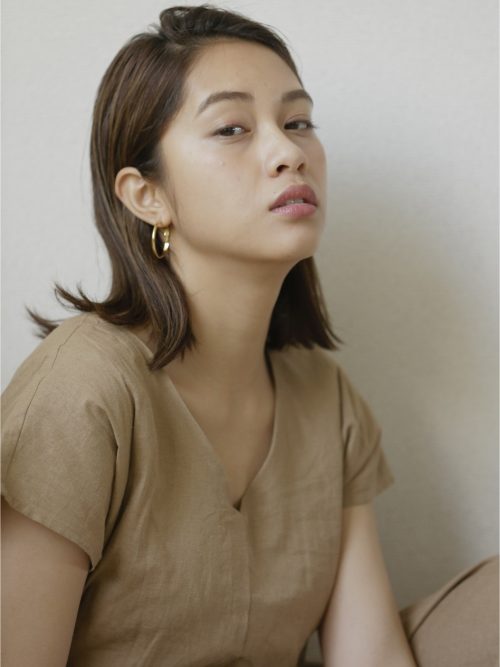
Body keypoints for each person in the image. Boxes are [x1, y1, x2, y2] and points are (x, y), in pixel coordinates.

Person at [1, 5, 497, 667]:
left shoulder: (325, 397)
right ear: (146, 195)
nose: (289, 152)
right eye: (231, 128)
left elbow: (367, 651)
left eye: (298, 122)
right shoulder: (83, 386)